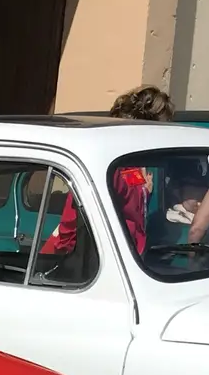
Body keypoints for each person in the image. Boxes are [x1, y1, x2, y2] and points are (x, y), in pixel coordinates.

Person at [40, 85, 174, 257]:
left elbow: (128, 202)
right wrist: (65, 258)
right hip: (83, 263)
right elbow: (74, 217)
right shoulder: (112, 164)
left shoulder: (133, 165)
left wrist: (145, 192)